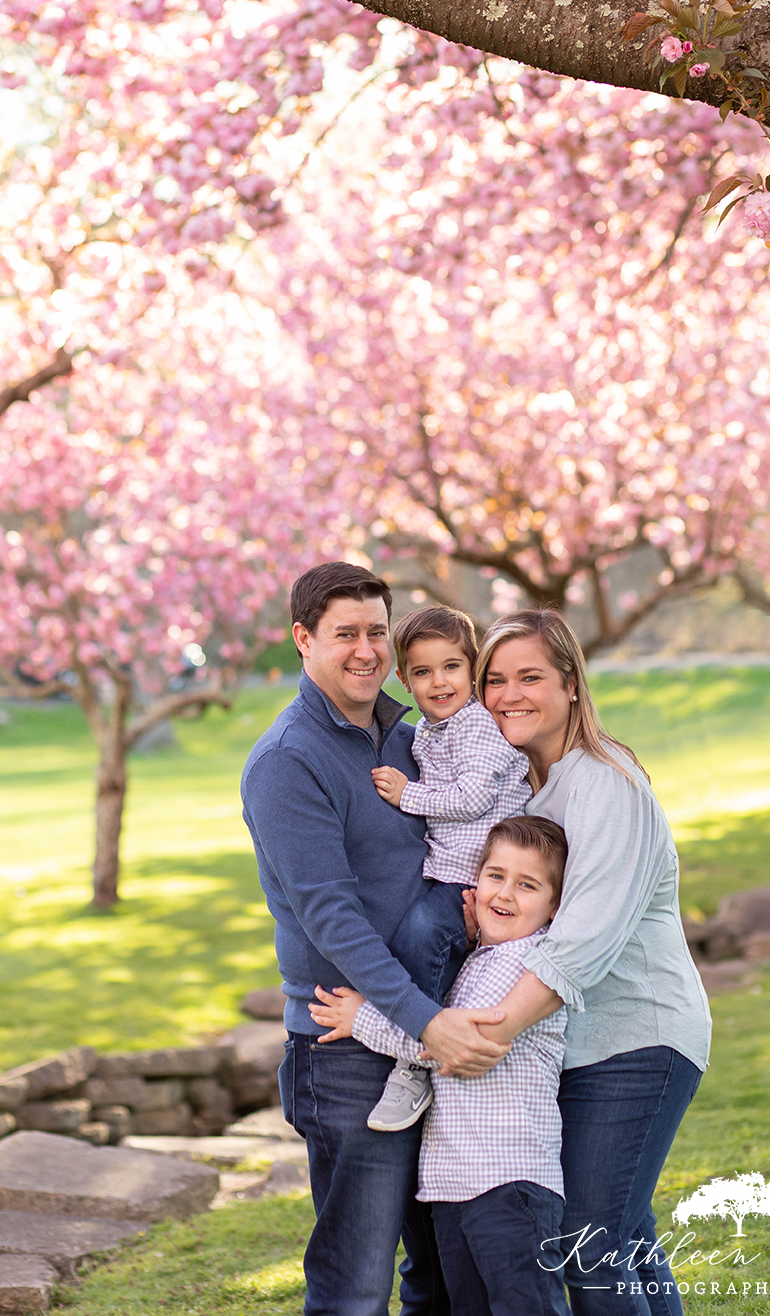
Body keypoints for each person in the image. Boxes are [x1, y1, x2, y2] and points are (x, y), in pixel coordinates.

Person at [240, 563, 511, 1316]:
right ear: (302, 639)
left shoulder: (415, 732)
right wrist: (422, 1023)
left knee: (449, 1275)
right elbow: (330, 916)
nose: (365, 652)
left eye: (374, 634)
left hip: (441, 1031)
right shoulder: (287, 761)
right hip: (351, 1047)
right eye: (343, 635)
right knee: (356, 1287)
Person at [469, 609, 712, 1316]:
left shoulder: (605, 782)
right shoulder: (529, 791)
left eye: (529, 677)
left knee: (586, 1244)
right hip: (577, 1049)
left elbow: (585, 940)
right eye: (493, 680)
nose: (507, 694)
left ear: (572, 684)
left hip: (637, 1041)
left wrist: (489, 1034)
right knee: (624, 1237)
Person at [309, 814, 572, 1316]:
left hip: (509, 1181)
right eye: (495, 876)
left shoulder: (529, 965)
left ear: (554, 907)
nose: (505, 894)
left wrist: (363, 1018)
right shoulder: (477, 961)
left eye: (528, 885)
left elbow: (453, 1047)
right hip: (454, 1188)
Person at [366, 605, 531, 1132]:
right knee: (416, 935)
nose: (439, 682)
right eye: (422, 672)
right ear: (404, 680)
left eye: (452, 667)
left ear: (472, 667)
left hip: (480, 873)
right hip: (452, 869)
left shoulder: (478, 724)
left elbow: (474, 796)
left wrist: (408, 795)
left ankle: (414, 1060)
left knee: (422, 932)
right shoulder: (431, 731)